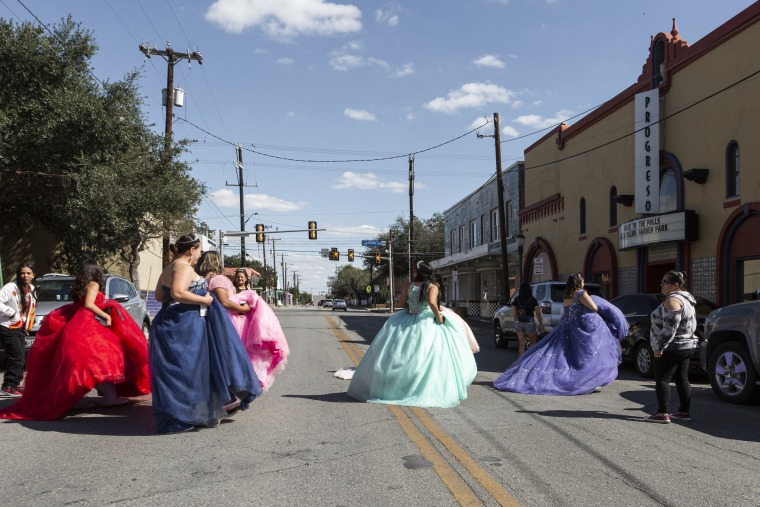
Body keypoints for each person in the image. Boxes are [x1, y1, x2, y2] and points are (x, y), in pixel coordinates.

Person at [0, 260, 150, 420]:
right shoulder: (93, 284)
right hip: (88, 325)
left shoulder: (81, 285)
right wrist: (105, 314)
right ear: (95, 271)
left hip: (78, 323)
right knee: (103, 361)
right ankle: (109, 397)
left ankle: (101, 395)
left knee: (91, 363)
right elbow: (88, 304)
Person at [149, 234, 262, 433]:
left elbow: (160, 296)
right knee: (190, 370)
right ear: (192, 250)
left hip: (169, 321)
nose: (199, 256)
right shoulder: (183, 267)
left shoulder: (168, 268)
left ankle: (183, 413)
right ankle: (185, 415)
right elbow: (178, 292)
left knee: (178, 371)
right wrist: (205, 301)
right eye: (199, 251)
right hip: (185, 325)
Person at [347, 261, 477, 408]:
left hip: (407, 318)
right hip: (426, 320)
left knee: (398, 353)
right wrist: (439, 318)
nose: (413, 272)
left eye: (415, 270)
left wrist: (412, 304)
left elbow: (400, 304)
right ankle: (426, 387)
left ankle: (395, 387)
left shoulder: (408, 286)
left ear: (419, 272)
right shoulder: (432, 286)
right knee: (431, 355)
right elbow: (432, 303)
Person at [493, 273, 628, 396]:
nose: (583, 283)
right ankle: (588, 380)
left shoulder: (566, 296)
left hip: (567, 328)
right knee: (586, 356)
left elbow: (567, 313)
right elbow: (594, 308)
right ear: (578, 282)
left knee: (562, 356)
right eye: (582, 281)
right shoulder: (581, 293)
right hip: (580, 329)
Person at [196, 252, 289, 392]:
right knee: (231, 355)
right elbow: (225, 302)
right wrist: (243, 309)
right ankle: (234, 388)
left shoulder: (199, 280)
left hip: (205, 319)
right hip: (225, 320)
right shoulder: (217, 280)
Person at [645, 270, 698, 424]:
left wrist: (659, 348)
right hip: (686, 345)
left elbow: (670, 328)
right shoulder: (687, 299)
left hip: (672, 347)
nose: (661, 285)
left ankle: (662, 413)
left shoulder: (673, 300)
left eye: (665, 282)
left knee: (662, 378)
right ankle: (683, 411)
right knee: (682, 379)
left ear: (675, 285)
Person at [0, 263, 36, 396]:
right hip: (7, 326)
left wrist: (27, 321)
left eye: (28, 273)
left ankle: (14, 384)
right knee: (18, 356)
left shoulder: (31, 288)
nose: (25, 276)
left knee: (21, 356)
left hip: (20, 327)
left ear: (33, 275)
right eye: (22, 273)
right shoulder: (10, 287)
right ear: (18, 274)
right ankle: (7, 385)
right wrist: (11, 313)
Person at [512, 281, 544, 356]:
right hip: (529, 321)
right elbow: (538, 313)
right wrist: (541, 324)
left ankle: (520, 362)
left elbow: (514, 312)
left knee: (522, 343)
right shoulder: (533, 299)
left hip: (518, 321)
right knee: (533, 342)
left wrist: (515, 321)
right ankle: (529, 361)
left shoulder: (516, 299)